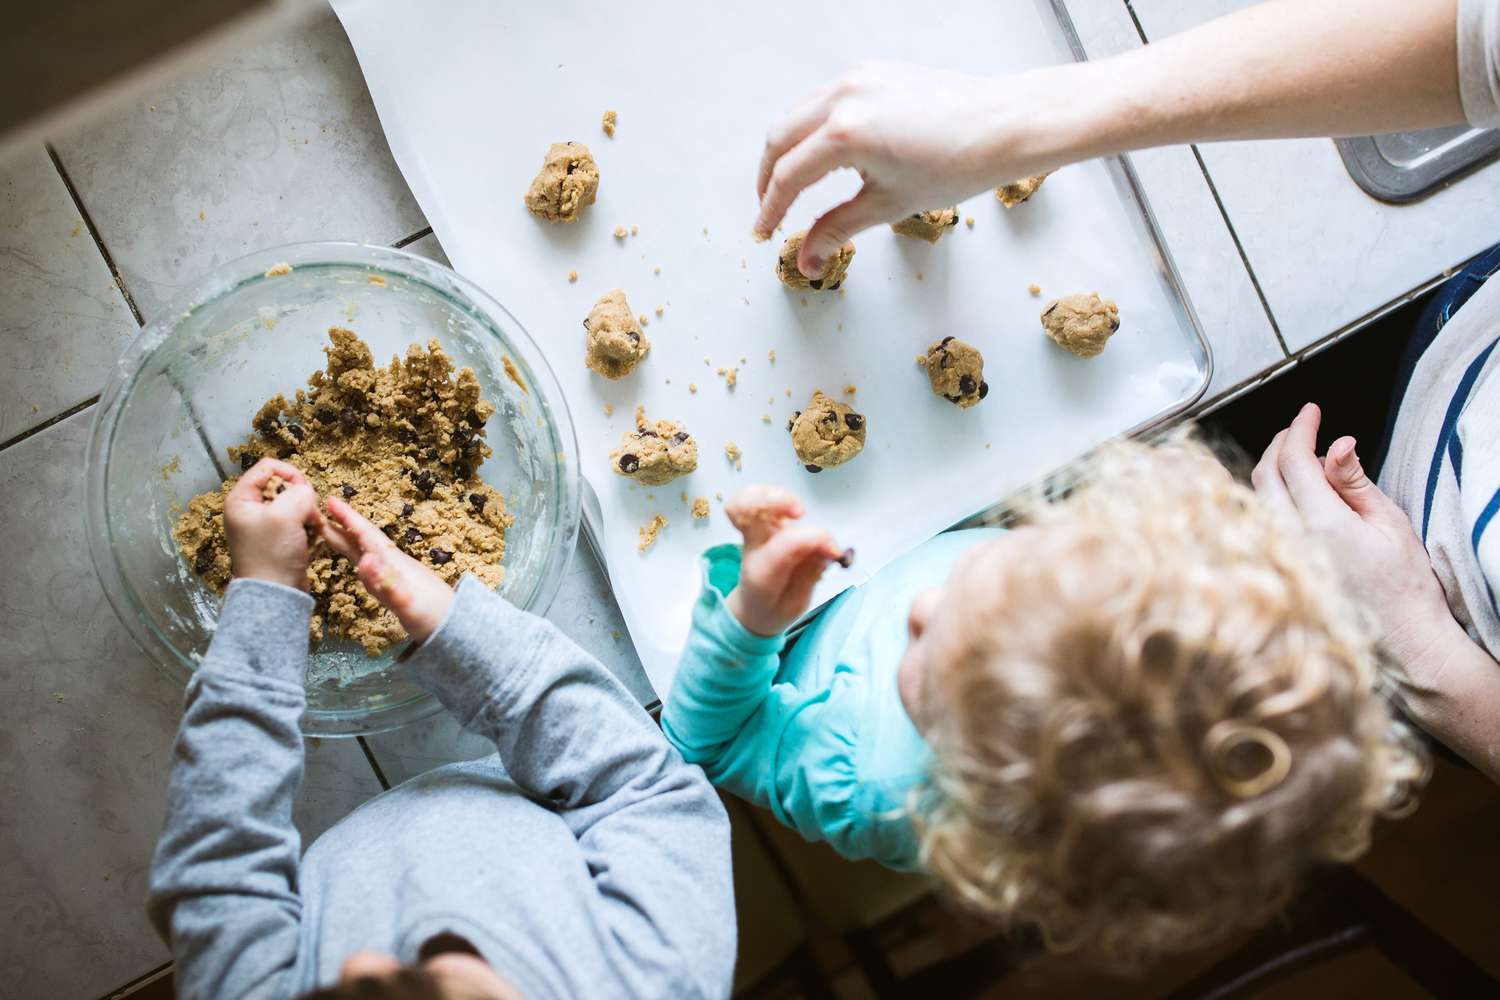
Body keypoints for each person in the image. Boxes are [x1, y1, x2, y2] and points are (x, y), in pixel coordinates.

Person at [751, 0, 1500, 781]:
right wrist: (1014, 122)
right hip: (1458, 350)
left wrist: (1423, 652)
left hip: (1408, 612)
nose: (928, 606)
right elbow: (1476, 38)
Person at [662, 434, 1426, 967]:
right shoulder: (1086, 596)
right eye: (982, 575)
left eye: (929, 662)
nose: (921, 609)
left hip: (766, 637)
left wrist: (750, 619)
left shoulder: (871, 787)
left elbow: (711, 744)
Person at [147, 458, 735, 1000]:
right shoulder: (668, 973)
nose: (352, 966)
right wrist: (454, 629)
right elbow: (638, 782)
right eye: (410, 970)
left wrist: (267, 596)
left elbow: (218, 868)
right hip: (534, 795)